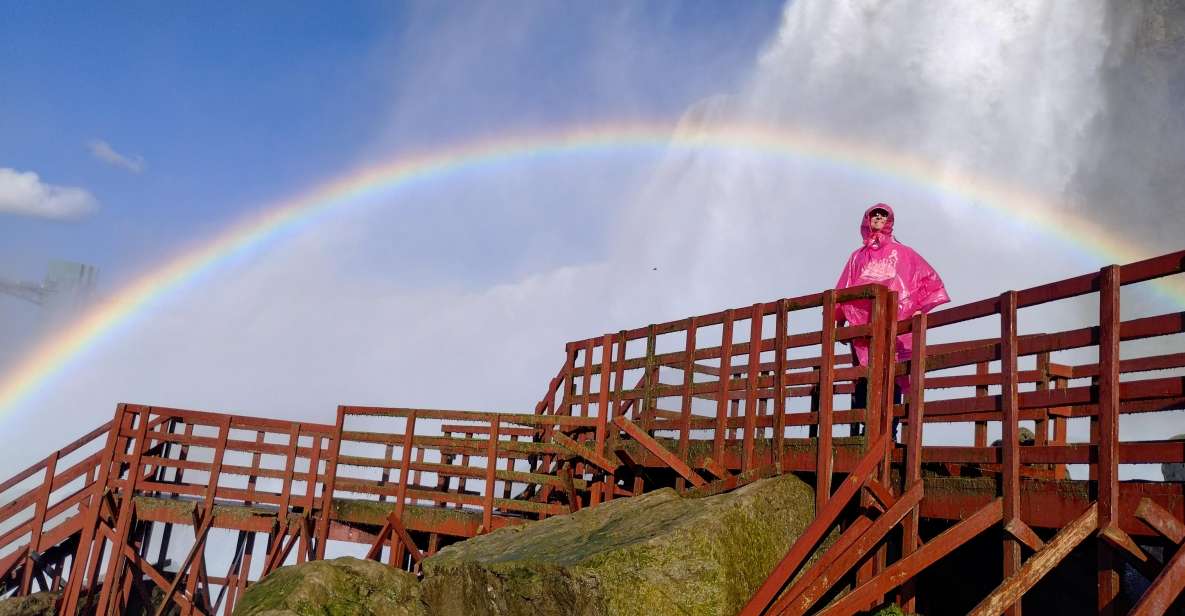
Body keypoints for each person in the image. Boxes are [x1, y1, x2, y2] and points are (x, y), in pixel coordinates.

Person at [834, 204, 949, 416]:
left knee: (892, 375)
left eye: (883, 215)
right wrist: (840, 321)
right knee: (864, 376)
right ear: (866, 220)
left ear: (890, 221)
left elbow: (927, 279)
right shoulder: (857, 257)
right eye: (874, 215)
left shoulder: (903, 253)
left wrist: (919, 308)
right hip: (863, 327)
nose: (878, 218)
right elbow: (844, 288)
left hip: (894, 324)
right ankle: (865, 428)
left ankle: (890, 432)